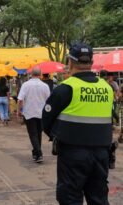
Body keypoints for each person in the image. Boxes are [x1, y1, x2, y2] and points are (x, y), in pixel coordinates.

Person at [42, 43, 113, 205]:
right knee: (99, 198)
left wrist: (57, 136)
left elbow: (46, 120)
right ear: (91, 62)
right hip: (101, 153)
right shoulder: (106, 88)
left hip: (72, 154)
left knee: (70, 198)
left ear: (70, 62)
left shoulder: (66, 88)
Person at [18, 68, 50, 163]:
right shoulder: (45, 86)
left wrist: (19, 110)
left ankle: (38, 153)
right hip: (41, 113)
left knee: (33, 134)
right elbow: (49, 100)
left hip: (29, 112)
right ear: (40, 74)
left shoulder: (25, 85)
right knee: (38, 133)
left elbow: (20, 99)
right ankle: (36, 153)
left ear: (31, 74)